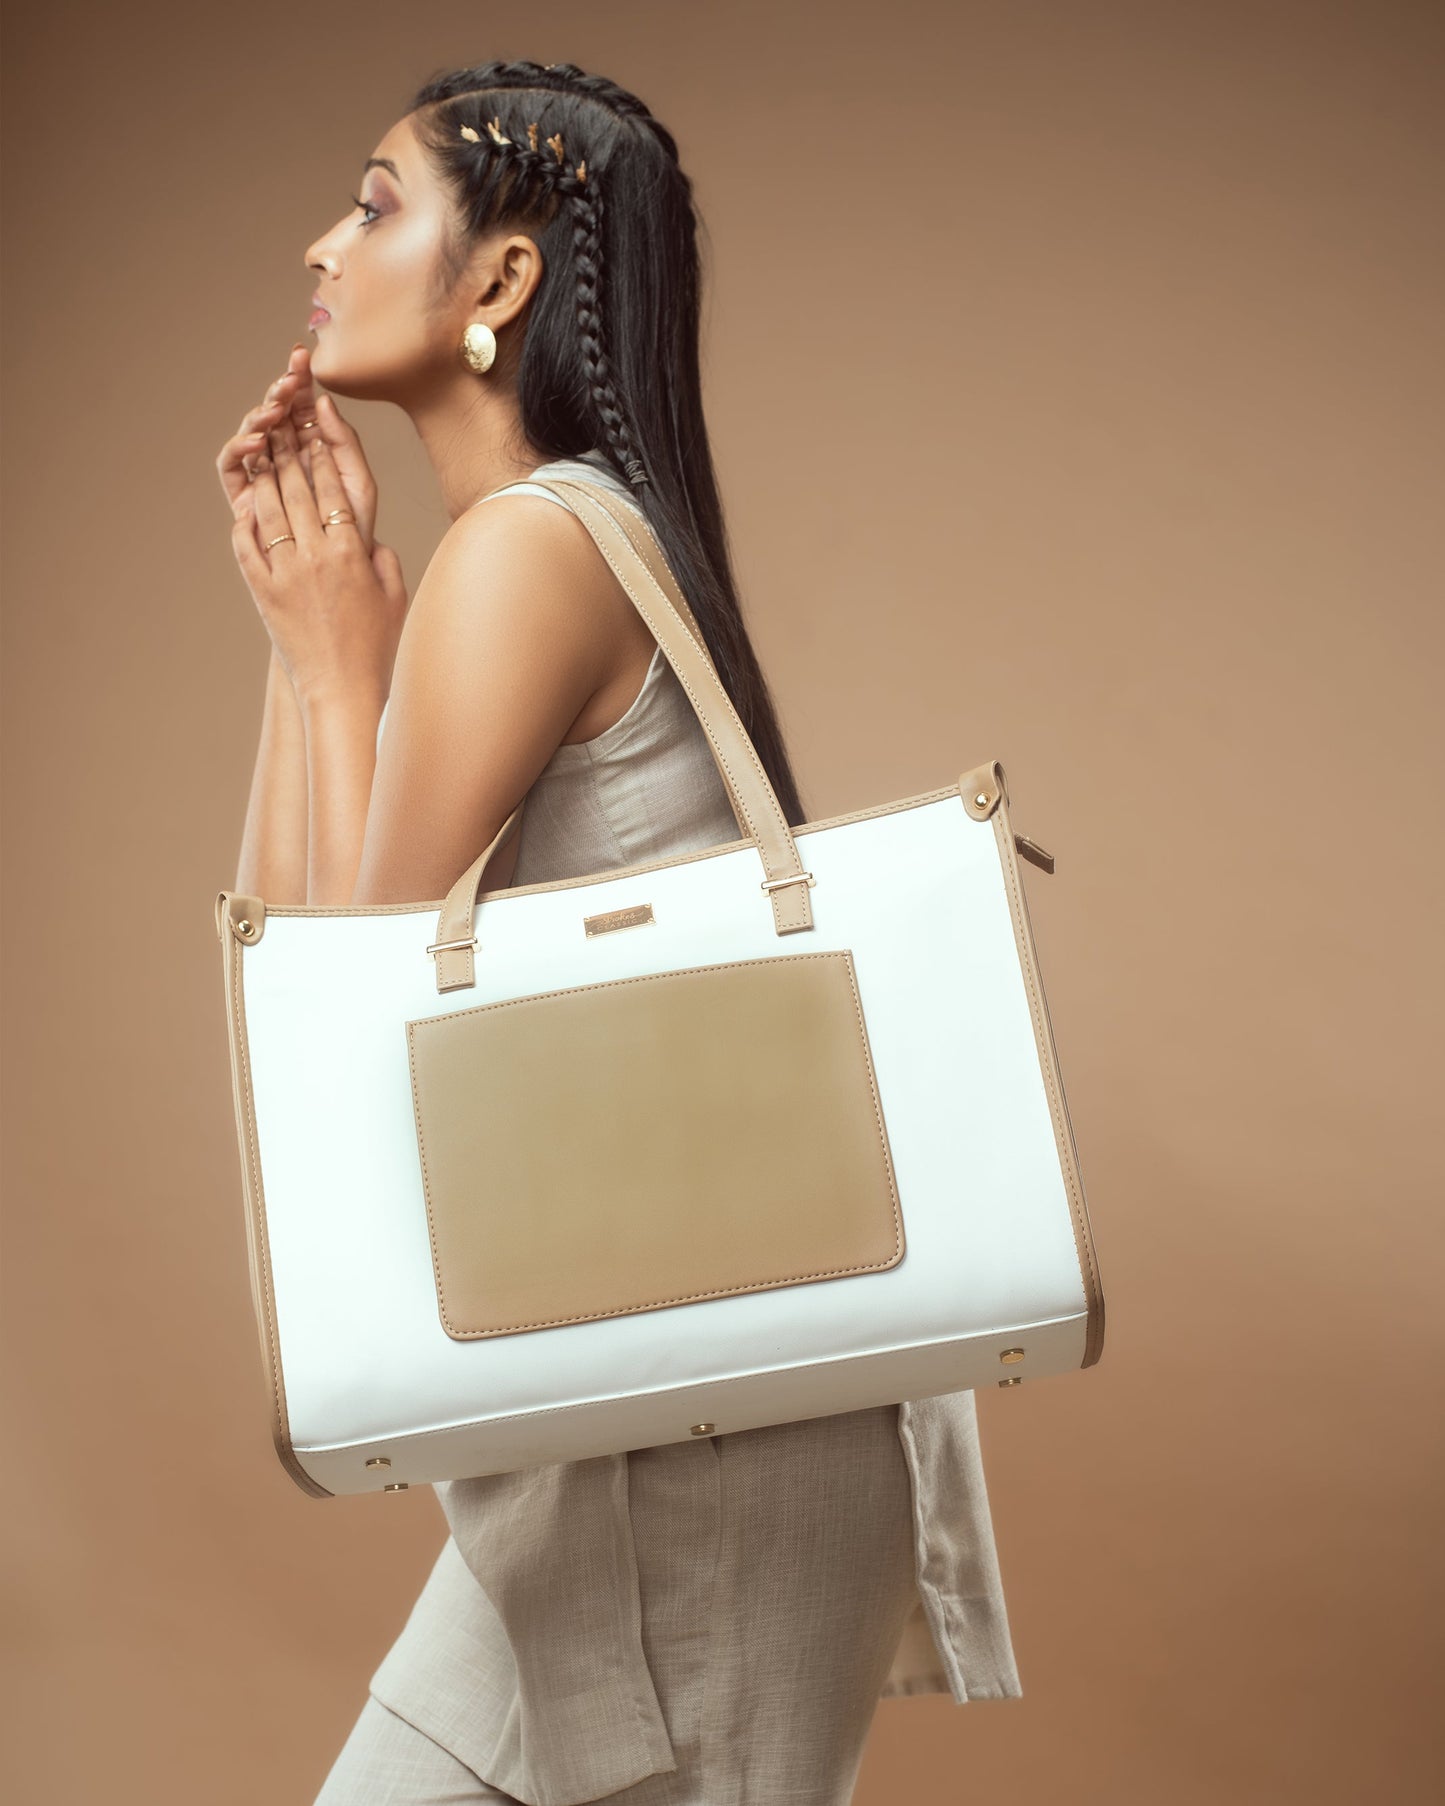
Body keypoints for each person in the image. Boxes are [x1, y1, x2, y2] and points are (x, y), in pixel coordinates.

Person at [217, 57, 1022, 1806]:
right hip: (622, 1438)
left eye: (372, 204)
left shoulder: (527, 551)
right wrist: (315, 651)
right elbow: (296, 996)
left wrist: (351, 653)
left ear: (499, 283)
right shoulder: (560, 544)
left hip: (698, 1462)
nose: (322, 243)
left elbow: (356, 1036)